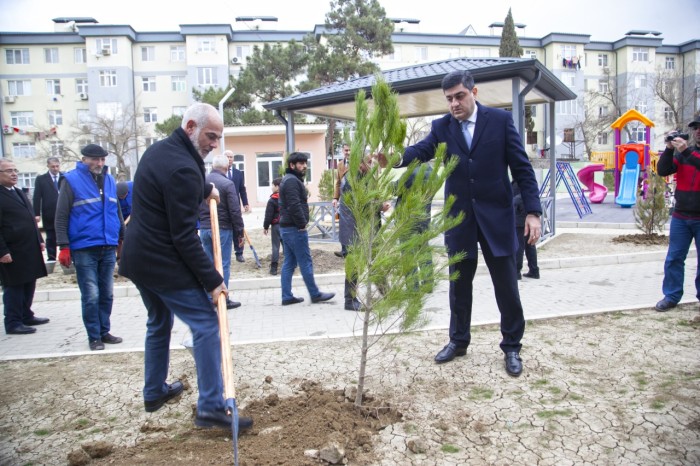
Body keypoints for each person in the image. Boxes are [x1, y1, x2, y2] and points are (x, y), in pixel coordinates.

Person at [380, 70, 541, 377]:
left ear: (473, 92)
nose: (454, 103)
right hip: (460, 221)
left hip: (497, 219)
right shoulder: (442, 127)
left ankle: (511, 347)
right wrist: (396, 158)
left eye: (459, 96)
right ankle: (458, 341)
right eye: (449, 98)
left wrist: (533, 212)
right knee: (458, 287)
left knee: (506, 286)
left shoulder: (500, 122)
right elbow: (423, 150)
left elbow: (523, 170)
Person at [119, 103, 253, 431]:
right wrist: (212, 280)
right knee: (207, 324)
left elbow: (174, 192)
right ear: (191, 126)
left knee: (158, 319)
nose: (214, 144)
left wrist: (204, 188)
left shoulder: (160, 151)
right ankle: (210, 408)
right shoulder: (182, 167)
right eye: (210, 136)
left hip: (137, 258)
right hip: (160, 260)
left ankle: (154, 392)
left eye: (218, 138)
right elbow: (183, 236)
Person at [55, 144, 124, 351]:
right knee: (91, 294)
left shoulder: (110, 180)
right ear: (84, 159)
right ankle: (94, 336)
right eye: (95, 159)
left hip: (108, 245)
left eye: (103, 160)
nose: (100, 164)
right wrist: (63, 245)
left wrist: (122, 238)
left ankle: (105, 331)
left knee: (107, 293)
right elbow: (61, 215)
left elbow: (116, 211)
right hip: (84, 246)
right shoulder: (71, 180)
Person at [654, 116, 700, 312]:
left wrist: (685, 150)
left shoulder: (688, 153)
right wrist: (669, 148)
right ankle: (671, 296)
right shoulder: (683, 154)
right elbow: (663, 170)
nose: (698, 131)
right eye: (696, 128)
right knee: (674, 258)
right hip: (681, 216)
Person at [0, 159, 50, 335]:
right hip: (11, 250)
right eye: (8, 171)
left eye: (15, 170)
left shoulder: (18, 192)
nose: (14, 174)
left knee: (29, 282)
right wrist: (2, 251)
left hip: (28, 247)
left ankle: (25, 314)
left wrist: (39, 240)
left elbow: (30, 218)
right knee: (14, 286)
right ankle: (13, 322)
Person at [278, 152, 335, 306]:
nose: (304, 166)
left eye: (305, 163)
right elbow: (294, 204)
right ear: (292, 165)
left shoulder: (291, 179)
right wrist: (302, 224)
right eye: (300, 163)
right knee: (305, 261)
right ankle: (315, 294)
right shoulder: (291, 181)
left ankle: (286, 296)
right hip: (294, 228)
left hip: (288, 227)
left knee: (289, 262)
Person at [338, 156, 389, 311]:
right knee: (353, 267)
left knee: (376, 262)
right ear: (359, 164)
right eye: (368, 163)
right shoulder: (352, 179)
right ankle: (350, 300)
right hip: (354, 231)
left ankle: (387, 293)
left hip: (366, 230)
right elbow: (360, 205)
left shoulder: (361, 177)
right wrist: (380, 206)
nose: (371, 165)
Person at [199, 154, 244, 310]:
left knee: (208, 263)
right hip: (222, 228)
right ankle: (223, 298)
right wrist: (239, 232)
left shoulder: (202, 182)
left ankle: (208, 298)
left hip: (204, 228)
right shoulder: (227, 183)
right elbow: (235, 210)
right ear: (227, 168)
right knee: (223, 264)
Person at [32, 157, 62, 261]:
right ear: (48, 166)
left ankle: (69, 255)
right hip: (49, 212)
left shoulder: (65, 177)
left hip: (64, 212)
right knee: (50, 236)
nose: (55, 168)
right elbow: (37, 197)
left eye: (57, 166)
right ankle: (52, 257)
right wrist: (36, 213)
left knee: (66, 233)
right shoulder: (41, 179)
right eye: (52, 166)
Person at [224, 150, 249, 263]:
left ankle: (239, 253)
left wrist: (245, 203)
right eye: (227, 157)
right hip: (223, 207)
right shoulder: (220, 172)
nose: (230, 159)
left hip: (235, 207)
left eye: (231, 157)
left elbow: (242, 189)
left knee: (238, 230)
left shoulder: (238, 173)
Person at [512, 180, 540, 280]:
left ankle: (516, 272)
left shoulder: (521, 180)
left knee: (519, 246)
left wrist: (513, 202)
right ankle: (534, 270)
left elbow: (522, 197)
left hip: (521, 218)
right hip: (525, 217)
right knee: (530, 245)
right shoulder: (521, 180)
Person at [332, 143, 351, 258]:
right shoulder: (339, 164)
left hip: (354, 198)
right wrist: (335, 198)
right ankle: (344, 250)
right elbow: (338, 182)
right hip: (343, 198)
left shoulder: (358, 164)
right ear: (342, 151)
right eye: (345, 150)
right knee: (343, 224)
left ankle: (353, 249)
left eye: (349, 150)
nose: (347, 152)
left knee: (352, 225)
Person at [263, 177, 282, 276]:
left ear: (277, 186)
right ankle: (291, 266)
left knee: (275, 247)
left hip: (276, 227)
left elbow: (268, 215)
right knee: (287, 247)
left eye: (273, 185)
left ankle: (274, 268)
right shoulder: (287, 197)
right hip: (286, 226)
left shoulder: (272, 200)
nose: (271, 187)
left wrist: (265, 227)